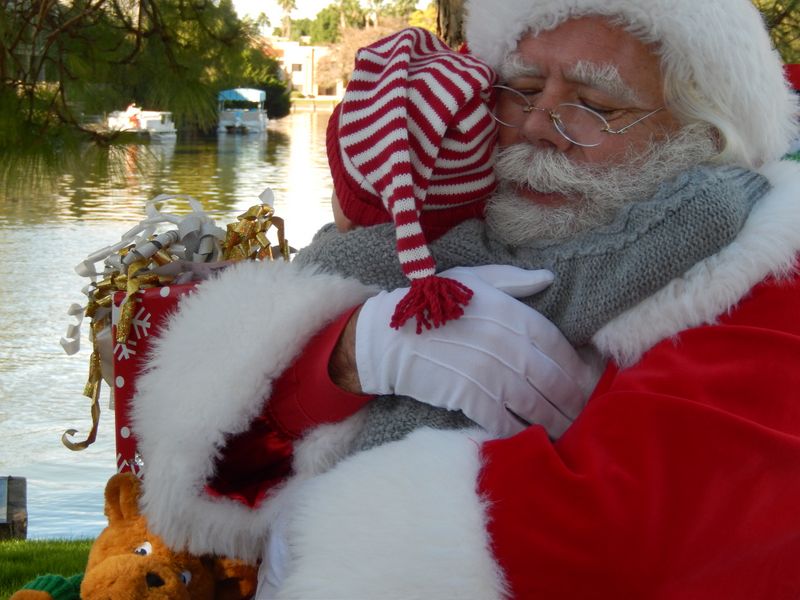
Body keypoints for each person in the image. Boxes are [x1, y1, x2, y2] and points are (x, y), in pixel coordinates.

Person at [129, 0, 800, 597]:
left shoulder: (760, 282)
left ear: (704, 140)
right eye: (522, 89)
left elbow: (624, 542)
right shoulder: (453, 226)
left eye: (596, 106)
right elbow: (207, 432)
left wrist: (331, 535)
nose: (537, 125)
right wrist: (347, 356)